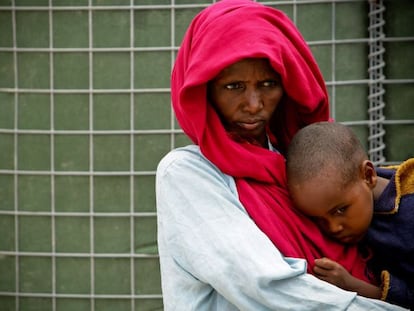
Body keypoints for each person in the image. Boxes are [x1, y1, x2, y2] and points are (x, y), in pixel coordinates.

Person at [156, 0, 407, 309]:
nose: (253, 104)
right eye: (233, 86)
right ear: (204, 89)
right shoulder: (187, 173)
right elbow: (266, 286)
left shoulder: (306, 165)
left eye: (268, 84)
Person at [286, 121, 414, 309]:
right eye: (319, 220)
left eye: (340, 210)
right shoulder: (355, 193)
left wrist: (351, 285)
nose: (333, 228)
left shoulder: (408, 215)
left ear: (369, 175)